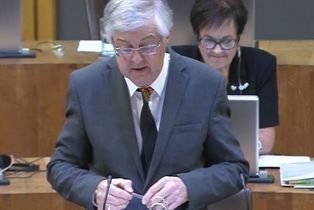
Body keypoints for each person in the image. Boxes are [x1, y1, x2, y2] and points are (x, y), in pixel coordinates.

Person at [46, 0, 249, 210]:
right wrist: (95, 188)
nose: (136, 58)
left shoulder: (205, 84)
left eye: (147, 45)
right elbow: (60, 166)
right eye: (124, 47)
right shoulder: (87, 85)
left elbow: (234, 168)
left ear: (167, 35)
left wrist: (188, 186)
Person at [171, 0, 279, 154]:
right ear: (197, 37)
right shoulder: (176, 62)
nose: (217, 50)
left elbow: (266, 140)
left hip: (239, 162)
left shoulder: (261, 64)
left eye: (227, 41)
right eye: (209, 41)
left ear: (238, 37)